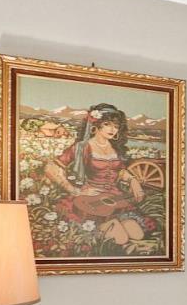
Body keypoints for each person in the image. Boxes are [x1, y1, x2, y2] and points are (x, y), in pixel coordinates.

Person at [43, 103, 153, 249]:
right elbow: (51, 167)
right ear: (96, 124)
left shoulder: (115, 148)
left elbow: (120, 171)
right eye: (107, 124)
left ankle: (113, 224)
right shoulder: (83, 147)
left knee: (137, 233)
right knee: (120, 238)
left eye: (116, 125)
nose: (112, 129)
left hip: (115, 199)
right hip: (90, 201)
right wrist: (73, 190)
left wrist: (133, 181)